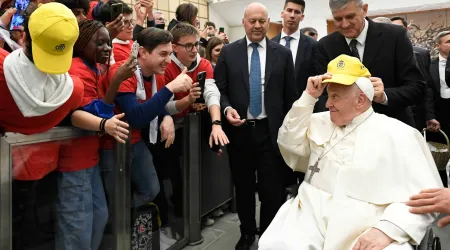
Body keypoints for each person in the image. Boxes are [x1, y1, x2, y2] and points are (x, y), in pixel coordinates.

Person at [258, 54, 443, 250]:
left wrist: (389, 229)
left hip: (370, 222)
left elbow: (427, 197)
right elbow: (288, 144)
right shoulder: (317, 121)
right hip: (309, 214)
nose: (327, 103)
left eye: (335, 97)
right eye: (328, 95)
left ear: (360, 100)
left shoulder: (400, 134)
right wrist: (308, 97)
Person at [215, 2, 297, 249]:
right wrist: (227, 109)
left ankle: (269, 236)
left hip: (270, 132)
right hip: (239, 131)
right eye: (253, 21)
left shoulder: (281, 54)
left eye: (262, 21)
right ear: (244, 22)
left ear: (269, 22)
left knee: (273, 190)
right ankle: (248, 232)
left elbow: (290, 96)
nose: (258, 25)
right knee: (243, 186)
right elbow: (220, 90)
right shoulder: (229, 52)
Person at [317, 0, 425, 126]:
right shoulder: (326, 45)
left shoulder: (395, 36)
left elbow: (417, 87)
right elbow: (324, 93)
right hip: (345, 131)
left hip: (391, 127)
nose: (345, 24)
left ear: (364, 9)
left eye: (350, 17)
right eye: (338, 19)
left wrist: (384, 96)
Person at [389, 15, 437, 132]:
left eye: (399, 27)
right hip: (391, 112)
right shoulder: (381, 54)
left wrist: (430, 115)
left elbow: (426, 87)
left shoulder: (421, 54)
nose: (396, 31)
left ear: (407, 29)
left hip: (416, 114)